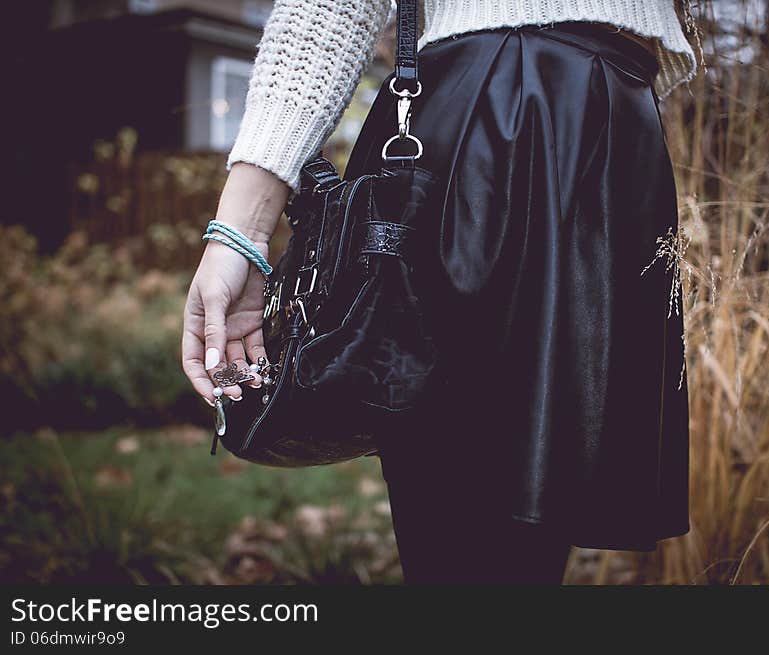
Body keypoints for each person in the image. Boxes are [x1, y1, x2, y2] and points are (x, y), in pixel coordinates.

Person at [182, 0, 698, 584]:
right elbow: (330, 8)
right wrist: (241, 232)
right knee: (470, 546)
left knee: (517, 549)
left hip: (609, 128)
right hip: (498, 113)